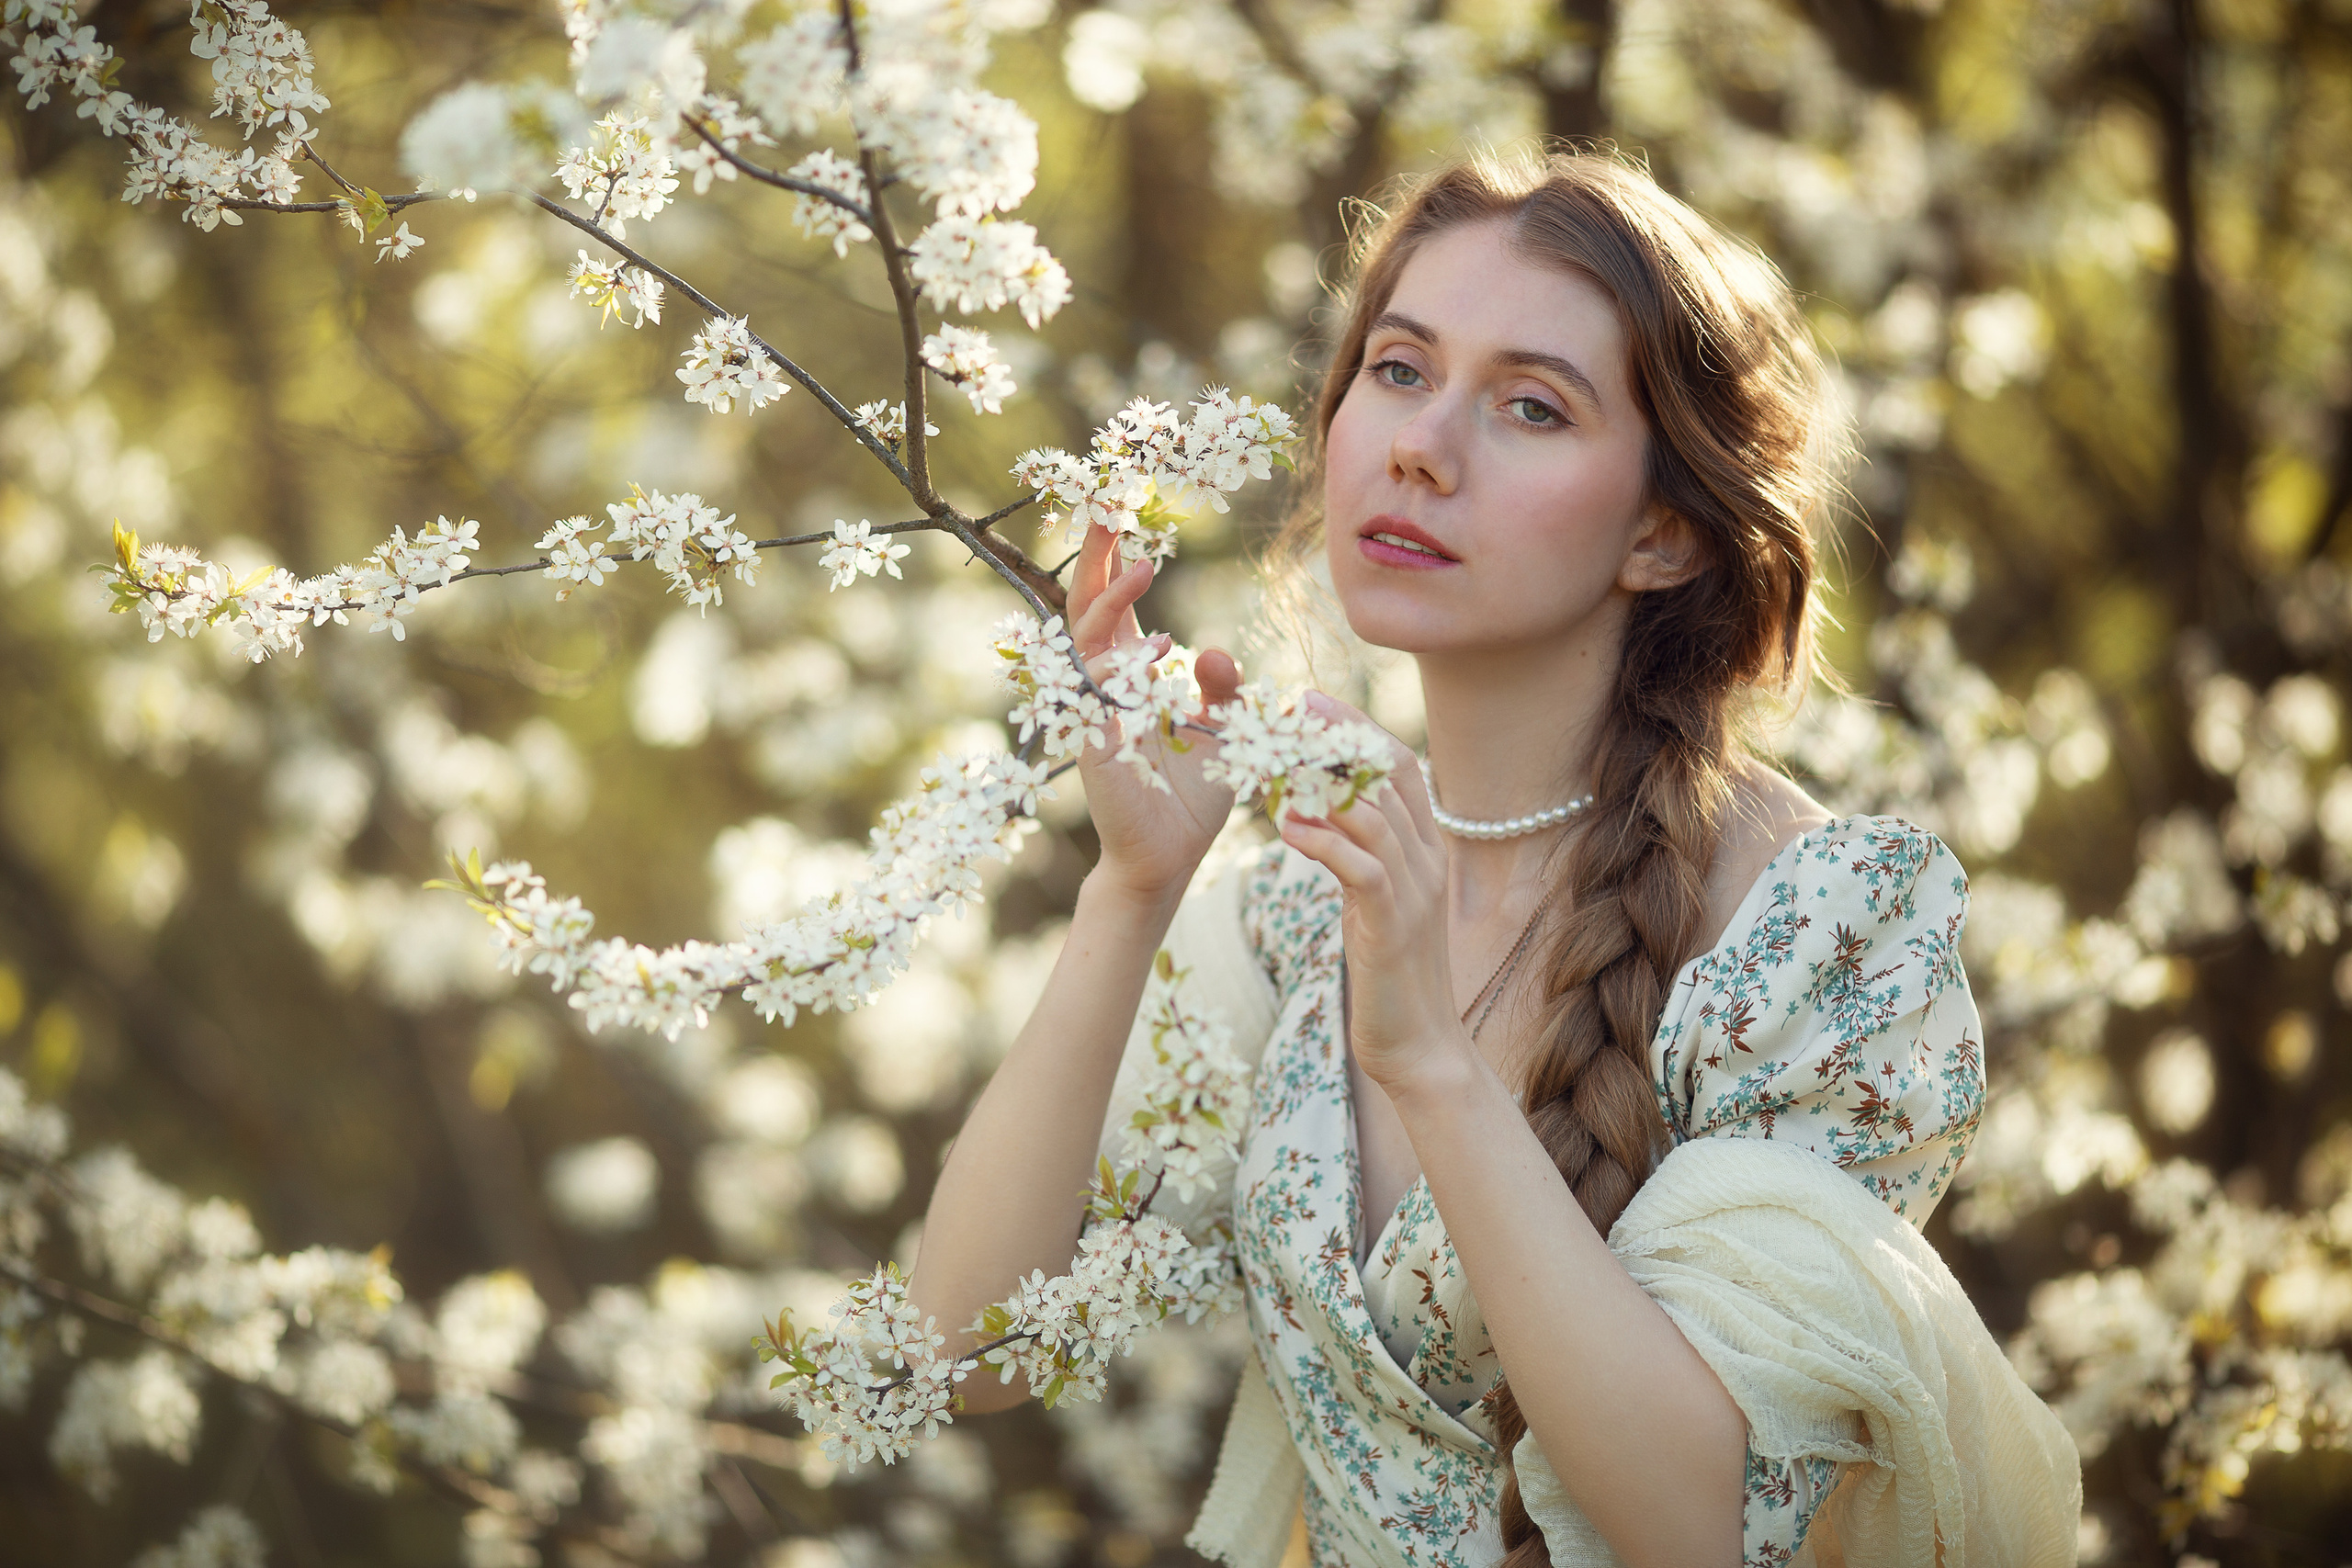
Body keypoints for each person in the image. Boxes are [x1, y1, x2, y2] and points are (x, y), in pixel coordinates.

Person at [908, 149, 2079, 1567]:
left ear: (1662, 530)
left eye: (1531, 406)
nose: (1421, 444)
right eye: (1398, 371)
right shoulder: (1292, 919)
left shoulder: (1813, 935)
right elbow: (962, 1355)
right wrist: (1131, 891)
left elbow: (1690, 1527)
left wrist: (1432, 1064)